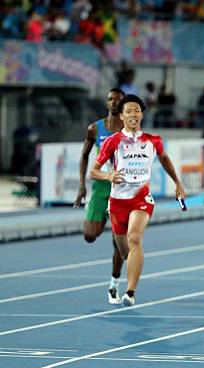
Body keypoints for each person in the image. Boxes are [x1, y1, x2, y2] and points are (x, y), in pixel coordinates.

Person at [89, 95, 186, 307]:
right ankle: (115, 280)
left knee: (135, 239)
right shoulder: (113, 141)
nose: (133, 115)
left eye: (136, 111)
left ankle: (130, 292)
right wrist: (108, 176)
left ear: (142, 114)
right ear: (122, 116)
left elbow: (164, 159)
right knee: (124, 251)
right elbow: (93, 172)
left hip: (141, 198)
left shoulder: (153, 140)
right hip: (117, 202)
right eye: (128, 111)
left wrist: (178, 183)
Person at [74, 88, 125, 304]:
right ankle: (105, 219)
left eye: (117, 99)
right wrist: (81, 185)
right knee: (89, 236)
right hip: (100, 187)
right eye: (110, 99)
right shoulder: (95, 128)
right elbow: (84, 156)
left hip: (121, 189)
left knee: (118, 245)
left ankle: (114, 283)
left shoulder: (130, 129)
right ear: (107, 103)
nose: (113, 102)